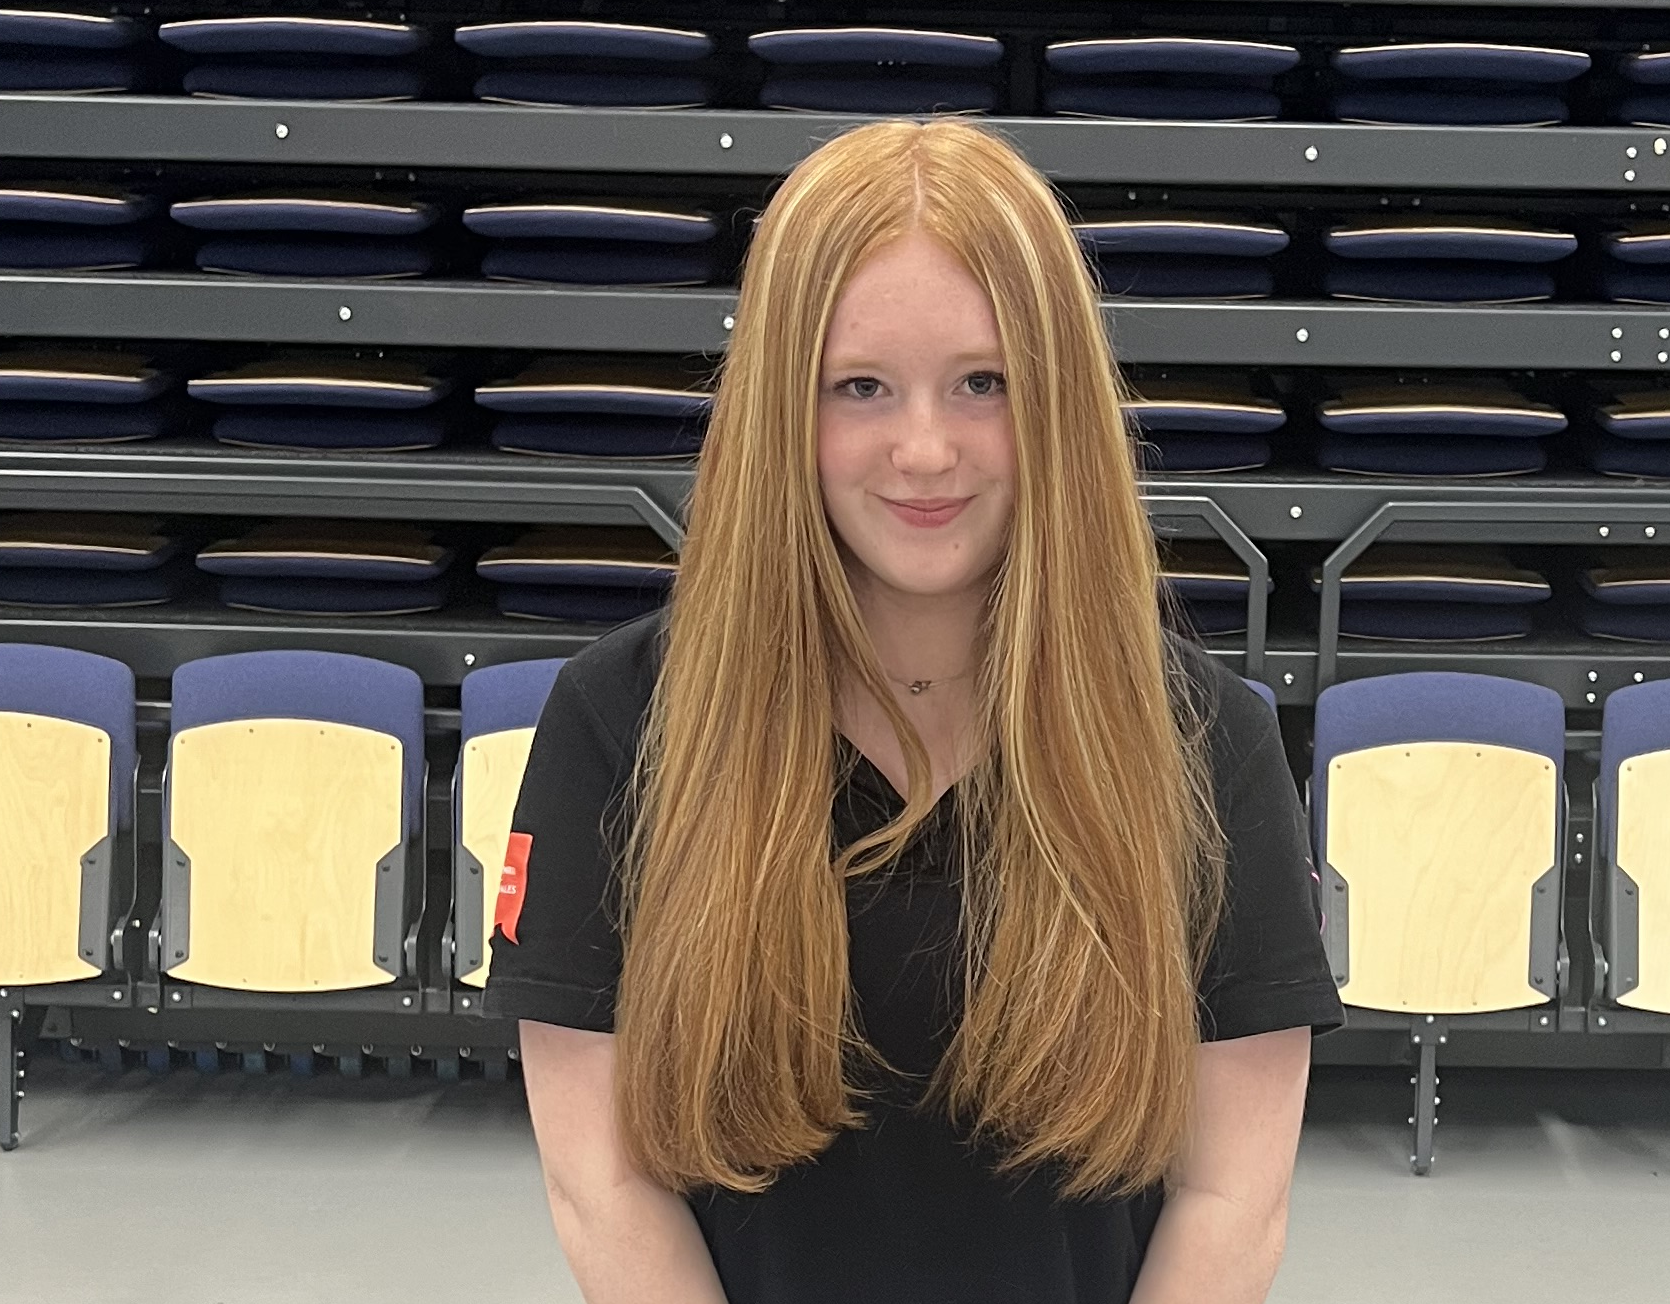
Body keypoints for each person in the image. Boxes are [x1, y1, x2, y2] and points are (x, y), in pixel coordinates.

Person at [481, 116, 1344, 1304]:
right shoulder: (620, 722)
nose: (926, 449)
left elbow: (1231, 1197)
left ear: (1057, 398)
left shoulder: (1205, 742)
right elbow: (604, 1181)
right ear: (783, 404)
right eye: (861, 387)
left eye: (983, 382)